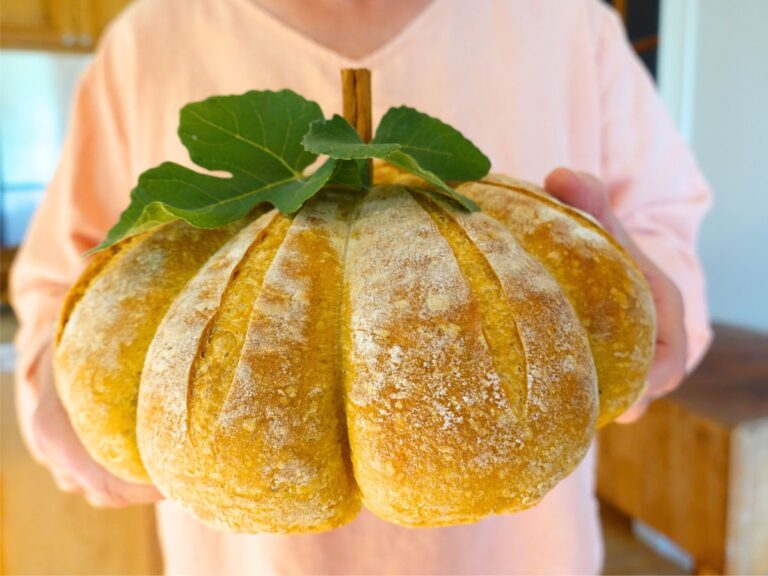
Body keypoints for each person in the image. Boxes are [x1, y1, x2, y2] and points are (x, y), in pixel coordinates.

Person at [10, 0, 712, 573]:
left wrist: (659, 296)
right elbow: (58, 279)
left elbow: (663, 224)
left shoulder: (565, 23)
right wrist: (49, 389)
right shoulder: (149, 38)